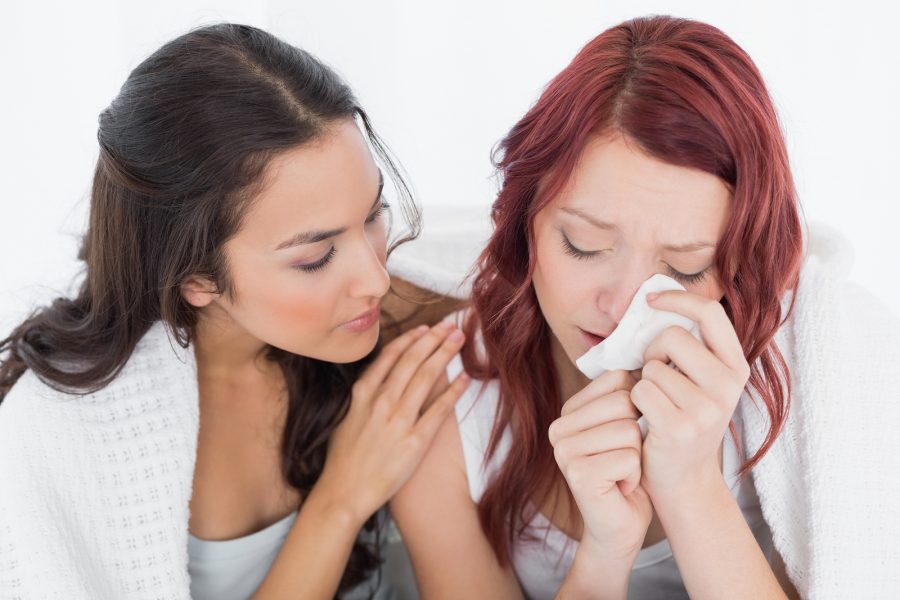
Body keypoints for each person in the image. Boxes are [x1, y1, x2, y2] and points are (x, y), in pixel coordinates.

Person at [391, 15, 900, 599]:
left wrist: (691, 485)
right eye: (584, 245)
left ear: (741, 261)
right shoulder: (453, 405)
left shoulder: (809, 380)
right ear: (522, 220)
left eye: (685, 266)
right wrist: (605, 551)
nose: (621, 306)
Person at [0, 23, 467, 599]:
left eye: (373, 215)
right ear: (196, 277)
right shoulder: (59, 438)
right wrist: (341, 498)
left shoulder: (389, 312)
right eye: (316, 257)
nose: (375, 277)